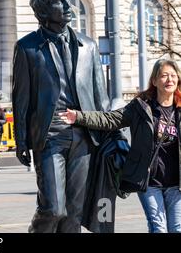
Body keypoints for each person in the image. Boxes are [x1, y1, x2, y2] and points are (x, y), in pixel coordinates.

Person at [12, 0, 115, 233]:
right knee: (53, 208)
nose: (69, 6)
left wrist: (109, 137)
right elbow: (21, 99)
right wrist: (22, 140)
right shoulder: (27, 47)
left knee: (74, 211)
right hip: (49, 135)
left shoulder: (88, 46)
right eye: (61, 1)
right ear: (44, 10)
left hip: (83, 133)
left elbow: (100, 97)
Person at [60, 58, 181, 233]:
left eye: (173, 75)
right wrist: (78, 117)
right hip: (148, 181)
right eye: (164, 75)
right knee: (158, 228)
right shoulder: (141, 107)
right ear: (154, 81)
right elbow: (110, 119)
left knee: (177, 228)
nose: (169, 80)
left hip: (176, 183)